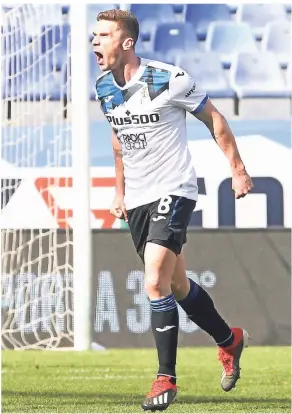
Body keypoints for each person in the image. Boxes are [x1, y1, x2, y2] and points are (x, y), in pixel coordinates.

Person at [92, 9, 254, 412]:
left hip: (175, 189)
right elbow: (118, 140)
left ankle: (166, 377)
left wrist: (237, 169)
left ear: (126, 42)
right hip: (139, 198)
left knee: (153, 283)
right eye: (93, 36)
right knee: (178, 286)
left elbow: (213, 119)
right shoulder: (103, 88)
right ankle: (229, 340)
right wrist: (119, 191)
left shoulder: (168, 78)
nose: (95, 43)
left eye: (103, 36)